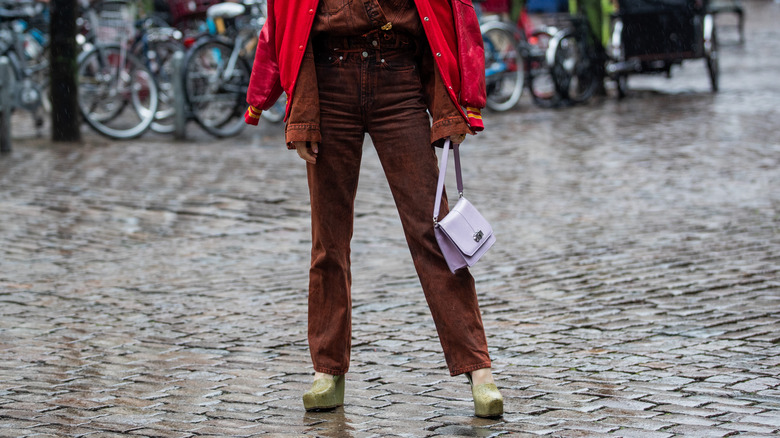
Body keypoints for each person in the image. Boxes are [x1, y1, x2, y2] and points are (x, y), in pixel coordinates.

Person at [243, 0, 503, 418]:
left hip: (398, 77)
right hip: (328, 83)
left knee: (433, 232)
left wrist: (460, 102)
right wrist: (295, 111)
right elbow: (280, 20)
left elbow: (456, 11)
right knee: (328, 242)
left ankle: (479, 369)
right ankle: (327, 372)